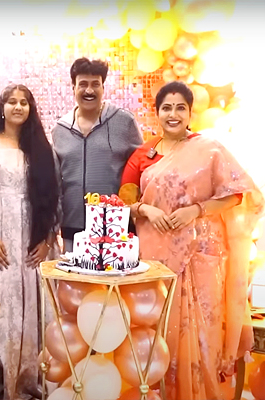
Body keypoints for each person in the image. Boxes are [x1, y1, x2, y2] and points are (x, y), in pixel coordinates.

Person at [121, 81, 263, 400]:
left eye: (180, 108)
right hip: (157, 258)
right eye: (166, 108)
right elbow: (125, 199)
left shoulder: (209, 149)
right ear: (156, 113)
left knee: (203, 334)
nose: (173, 114)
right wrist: (145, 209)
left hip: (203, 256)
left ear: (189, 112)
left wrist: (195, 211)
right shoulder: (143, 154)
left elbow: (236, 195)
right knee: (161, 332)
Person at [0, 84, 61, 400]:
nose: (18, 107)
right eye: (12, 102)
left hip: (32, 241)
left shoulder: (42, 149)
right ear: (1, 108)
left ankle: (26, 379)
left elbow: (53, 198)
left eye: (24, 102)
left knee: (31, 308)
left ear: (30, 110)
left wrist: (47, 240)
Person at [52, 57, 143, 251]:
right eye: (83, 84)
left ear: (103, 87)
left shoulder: (123, 122)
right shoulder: (60, 129)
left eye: (95, 84)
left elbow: (141, 167)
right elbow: (56, 182)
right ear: (73, 88)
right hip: (72, 226)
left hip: (116, 225)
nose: (89, 90)